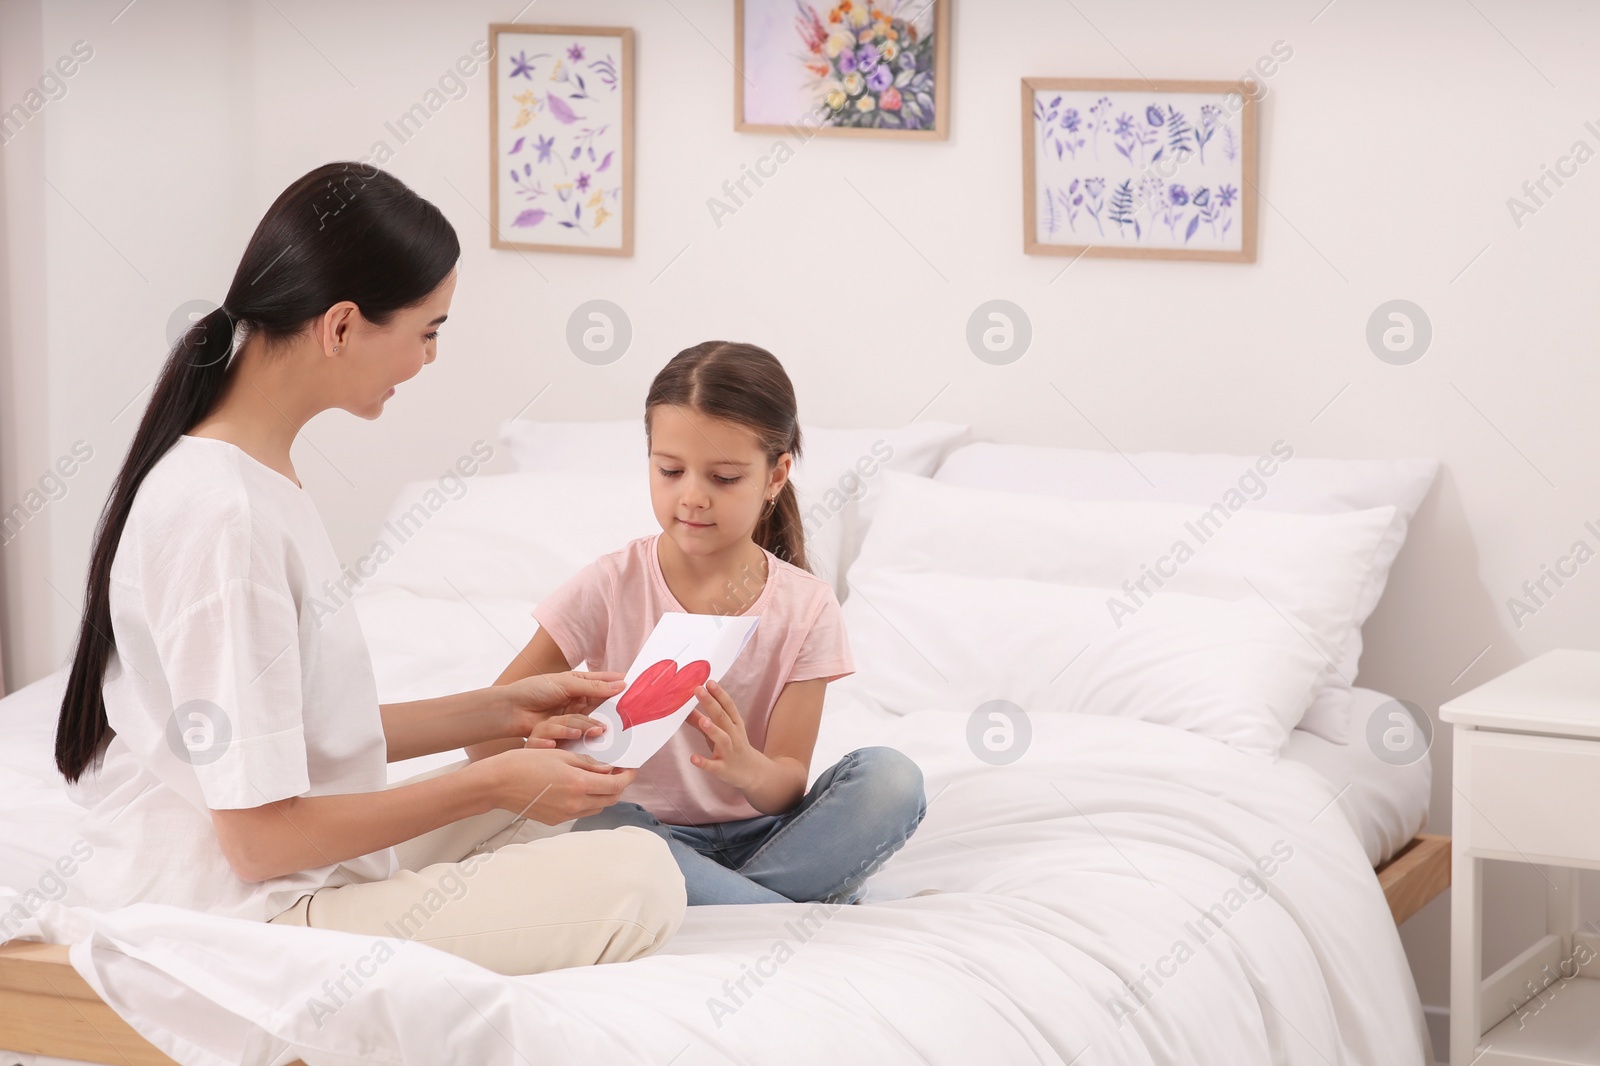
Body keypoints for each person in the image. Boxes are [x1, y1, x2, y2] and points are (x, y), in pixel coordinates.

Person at [53, 161, 685, 976]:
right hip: (251, 911)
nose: (427, 360)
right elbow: (257, 841)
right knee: (637, 879)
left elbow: (299, 734)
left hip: (290, 864)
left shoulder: (247, 478)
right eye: (427, 331)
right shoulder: (226, 517)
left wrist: (498, 712)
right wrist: (485, 785)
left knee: (555, 799)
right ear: (343, 326)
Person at [470, 341, 927, 905]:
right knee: (601, 832)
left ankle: (729, 904)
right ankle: (786, 907)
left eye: (724, 478)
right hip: (642, 832)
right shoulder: (610, 584)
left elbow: (786, 784)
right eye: (670, 470)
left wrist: (744, 768)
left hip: (768, 833)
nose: (692, 497)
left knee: (892, 780)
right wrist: (542, 752)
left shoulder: (806, 607)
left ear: (776, 475)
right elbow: (485, 729)